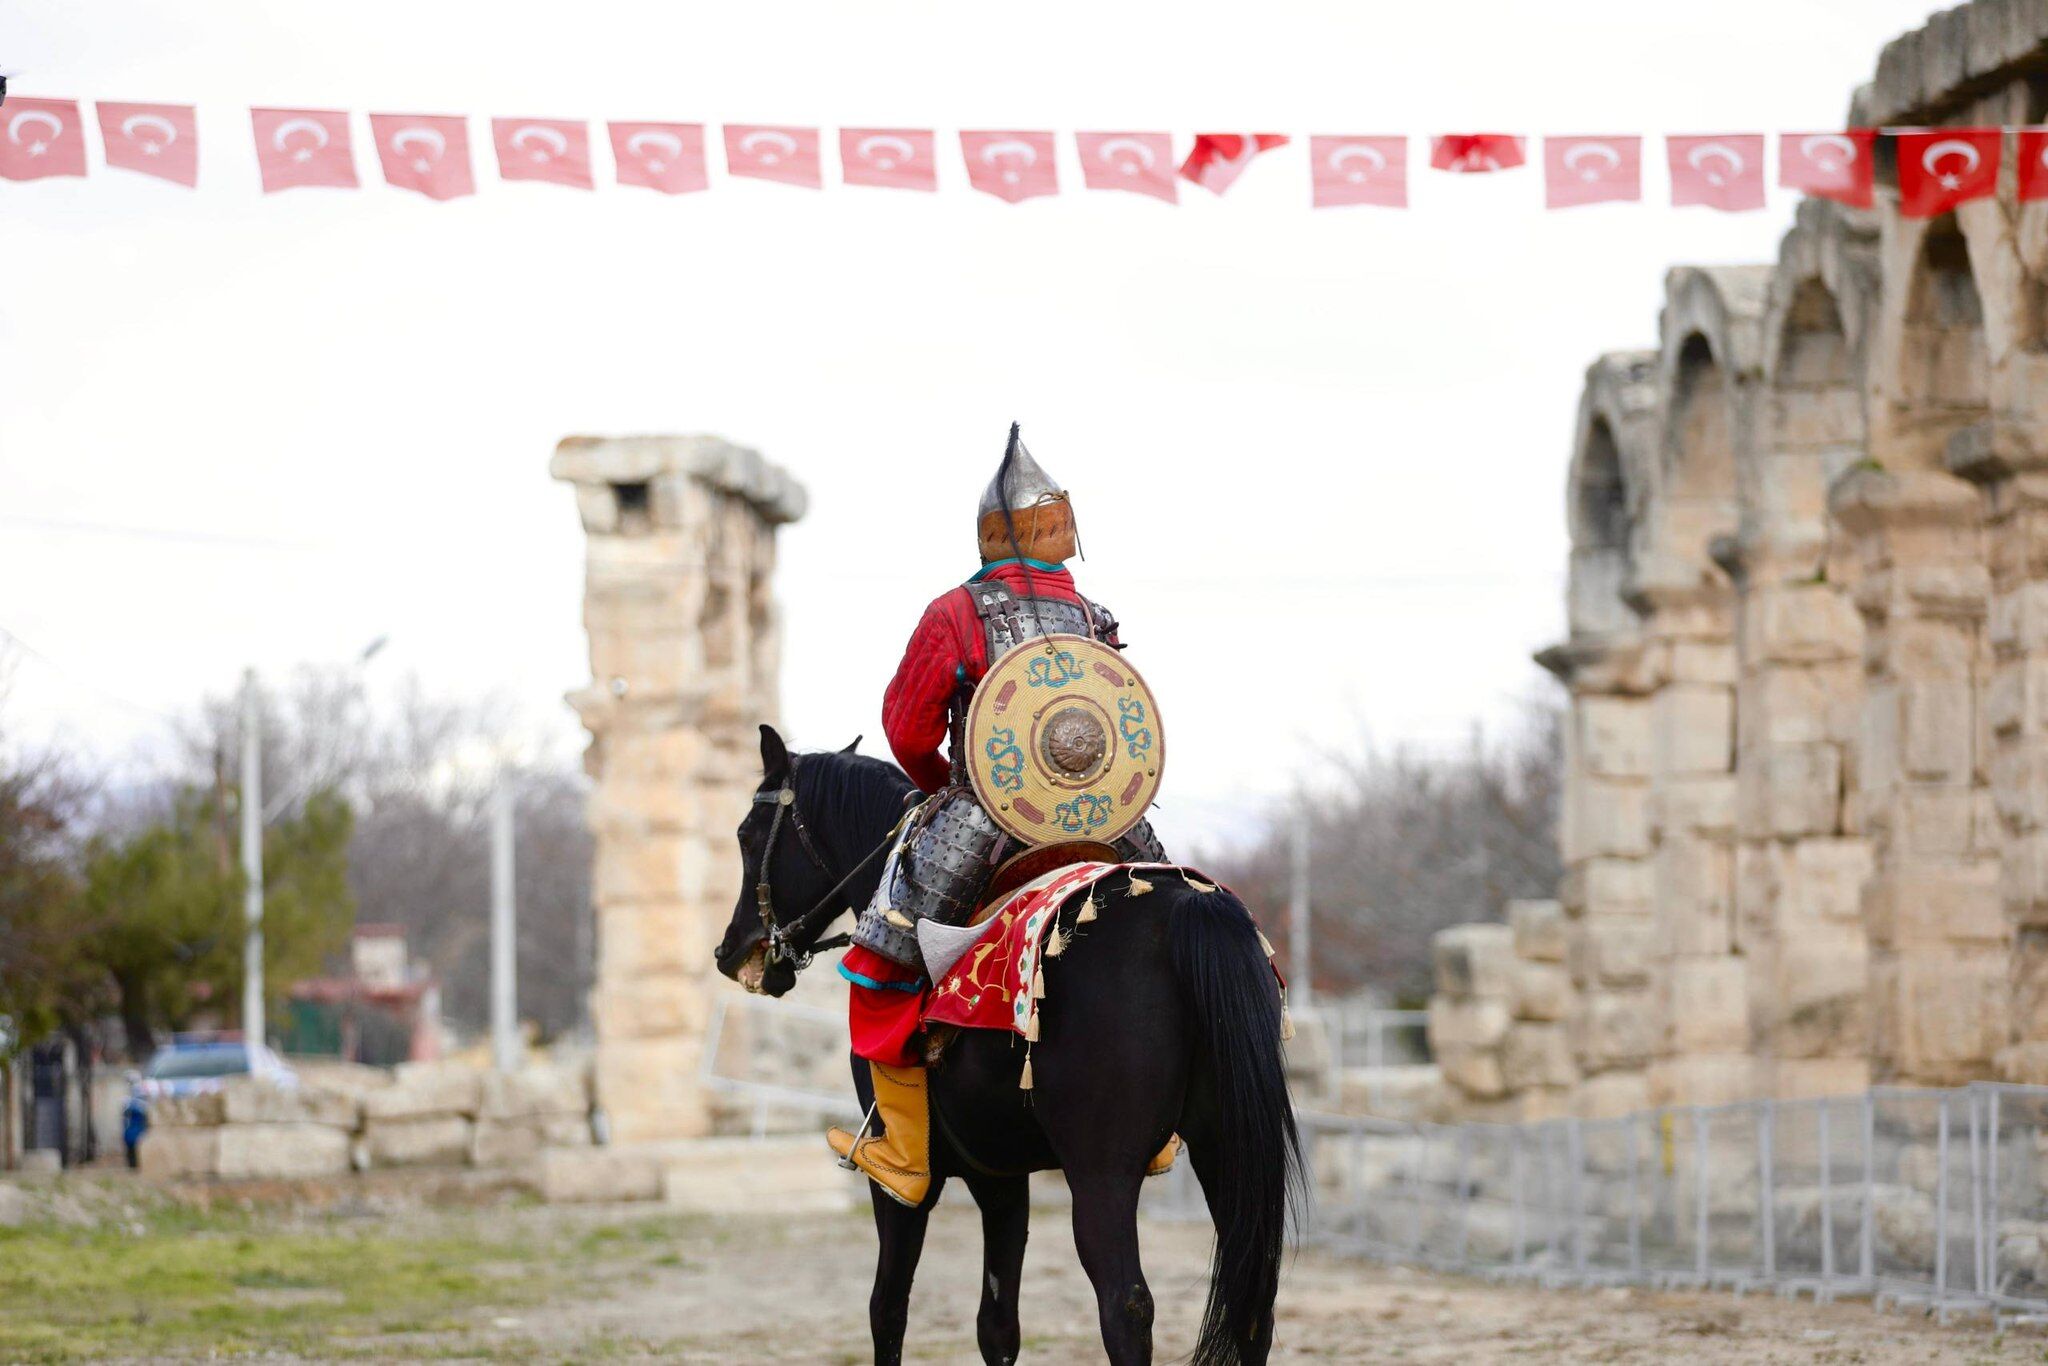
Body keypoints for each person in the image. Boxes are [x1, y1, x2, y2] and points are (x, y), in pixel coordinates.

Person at [826, 425, 1168, 1206]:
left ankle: (905, 1154)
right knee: (1171, 915)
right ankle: (1161, 1129)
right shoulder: (1094, 617)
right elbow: (1117, 725)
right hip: (1106, 820)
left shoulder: (955, 611)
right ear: (1064, 528)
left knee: (883, 962)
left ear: (989, 534)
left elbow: (910, 728)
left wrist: (942, 783)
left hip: (987, 819)